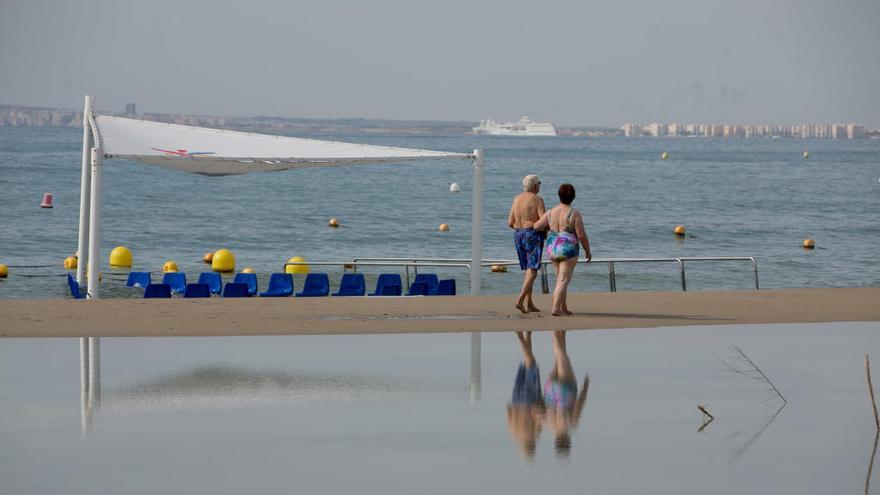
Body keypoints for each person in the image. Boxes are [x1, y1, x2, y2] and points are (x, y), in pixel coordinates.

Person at [534, 184, 592, 316]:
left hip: (553, 248)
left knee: (560, 278)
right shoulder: (574, 213)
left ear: (559, 196)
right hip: (568, 249)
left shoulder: (551, 212)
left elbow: (537, 226)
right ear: (573, 197)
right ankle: (555, 308)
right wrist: (587, 251)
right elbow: (581, 235)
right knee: (563, 280)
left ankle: (563, 307)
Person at [508, 175, 546, 314]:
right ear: (535, 186)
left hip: (518, 234)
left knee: (528, 270)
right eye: (539, 184)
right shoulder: (537, 200)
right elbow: (543, 220)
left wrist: (522, 230)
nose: (540, 186)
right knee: (533, 270)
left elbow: (510, 222)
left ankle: (529, 303)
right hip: (532, 234)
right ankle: (519, 300)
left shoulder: (516, 199)